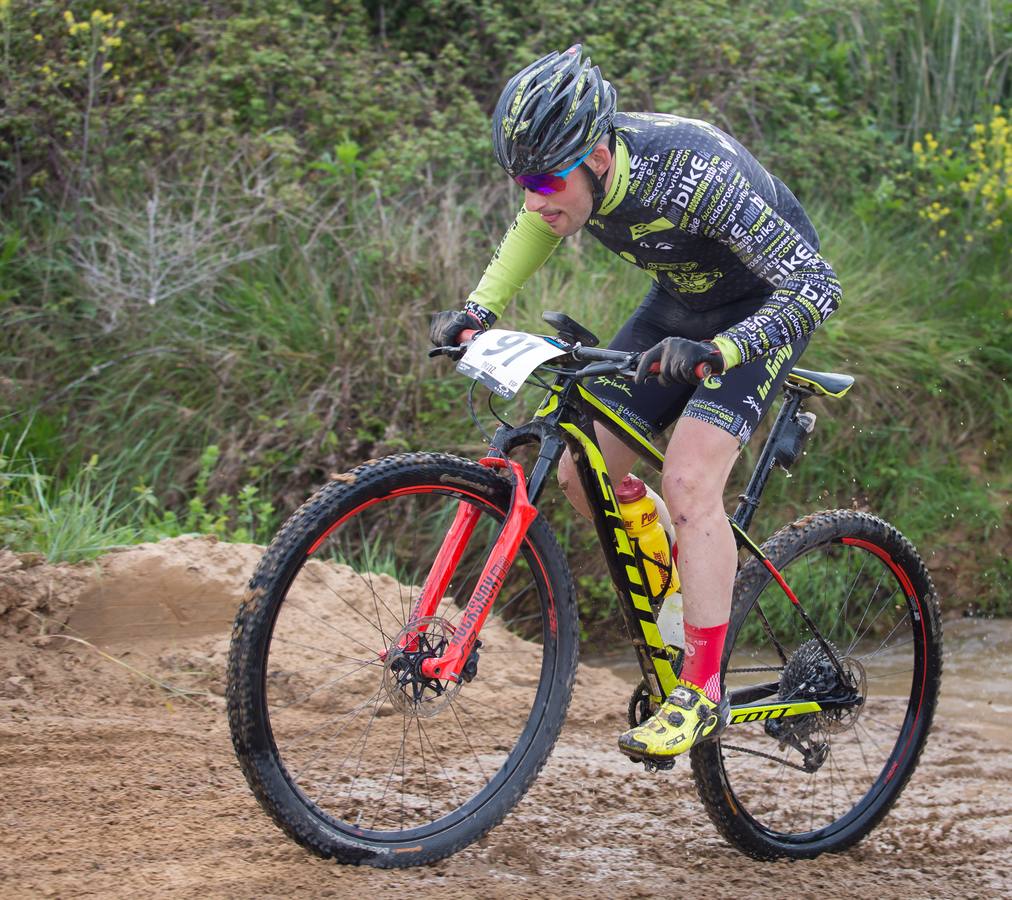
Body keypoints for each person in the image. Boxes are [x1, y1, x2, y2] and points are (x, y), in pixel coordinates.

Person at [430, 45, 841, 763]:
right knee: (579, 472)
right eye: (521, 180)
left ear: (594, 153)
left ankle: (702, 688)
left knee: (689, 480)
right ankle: (678, 596)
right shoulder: (569, 183)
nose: (533, 197)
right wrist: (478, 310)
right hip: (680, 305)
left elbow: (815, 288)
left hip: (763, 307)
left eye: (546, 179)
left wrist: (726, 352)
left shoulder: (694, 176)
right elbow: (533, 226)